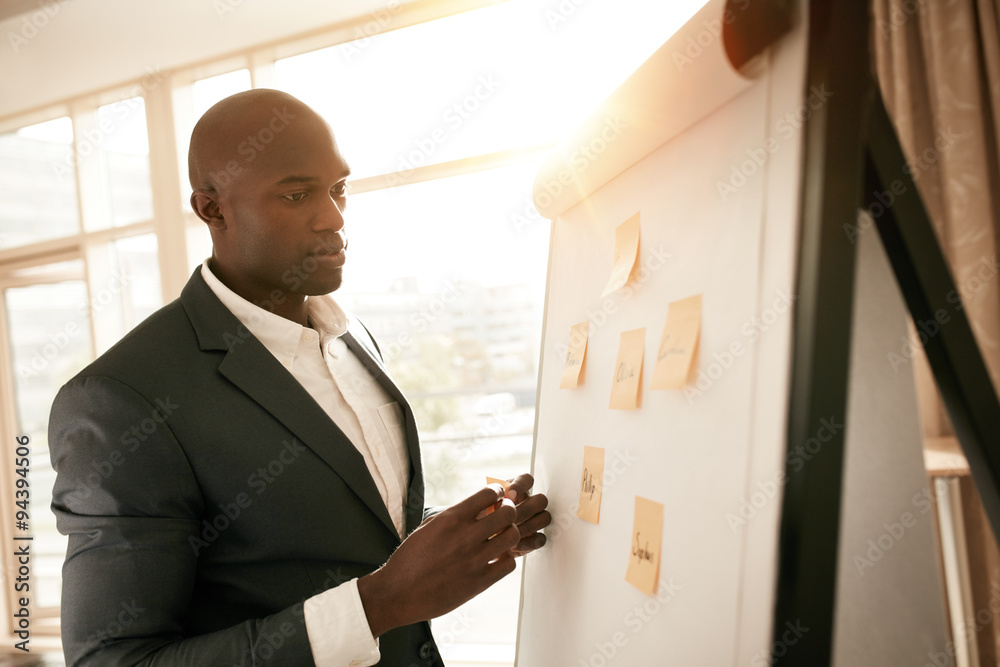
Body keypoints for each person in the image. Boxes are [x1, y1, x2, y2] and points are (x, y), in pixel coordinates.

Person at [48, 88, 550, 666]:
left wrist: (470, 527)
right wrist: (378, 604)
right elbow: (113, 660)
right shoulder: (120, 400)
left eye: (339, 189)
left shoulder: (351, 337)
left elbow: (349, 526)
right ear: (212, 209)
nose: (334, 217)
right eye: (296, 194)